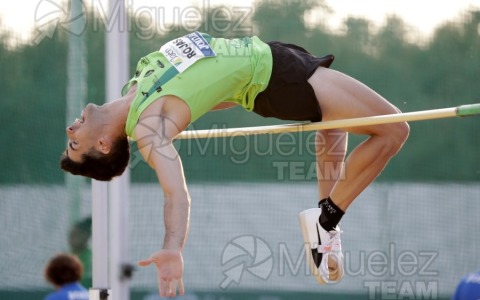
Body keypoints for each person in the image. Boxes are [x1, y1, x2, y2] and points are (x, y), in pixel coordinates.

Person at [60, 31, 409, 297]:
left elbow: (207, 88)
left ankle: (323, 230)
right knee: (394, 130)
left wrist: (239, 89)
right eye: (75, 143)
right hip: (276, 77)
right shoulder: (150, 129)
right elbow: (176, 194)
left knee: (334, 127)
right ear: (104, 145)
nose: (70, 129)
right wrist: (172, 249)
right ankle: (327, 219)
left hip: (271, 59)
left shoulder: (134, 85)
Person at [68, 217, 92, 288]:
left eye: (77, 234)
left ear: (88, 236)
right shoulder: (65, 259)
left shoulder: (93, 258)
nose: (72, 238)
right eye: (72, 234)